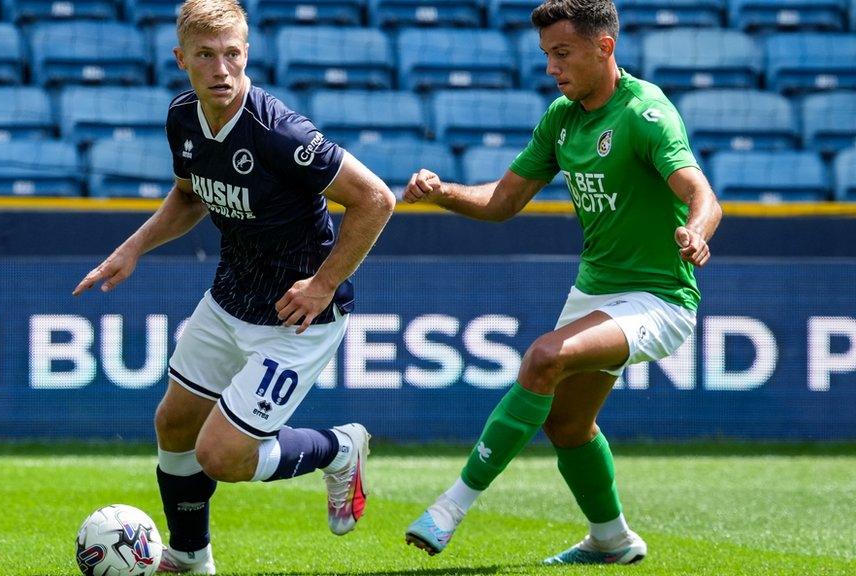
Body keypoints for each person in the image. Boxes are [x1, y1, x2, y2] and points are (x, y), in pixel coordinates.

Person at [73, 1, 395, 573]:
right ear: (182, 60)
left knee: (220, 454)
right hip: (228, 301)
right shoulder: (182, 118)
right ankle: (190, 558)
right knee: (173, 424)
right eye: (206, 55)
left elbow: (376, 199)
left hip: (299, 318)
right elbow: (191, 194)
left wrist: (323, 284)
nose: (221, 69)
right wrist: (133, 248)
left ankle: (338, 447)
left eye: (232, 54)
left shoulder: (279, 132)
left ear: (247, 53)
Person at [402, 0, 722, 566]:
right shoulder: (561, 118)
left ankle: (449, 509)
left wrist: (695, 233)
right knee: (569, 426)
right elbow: (503, 202)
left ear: (605, 48)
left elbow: (704, 196)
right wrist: (443, 191)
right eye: (547, 54)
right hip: (595, 292)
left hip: (660, 298)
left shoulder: (646, 114)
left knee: (543, 357)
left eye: (563, 53)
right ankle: (612, 540)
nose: (552, 67)